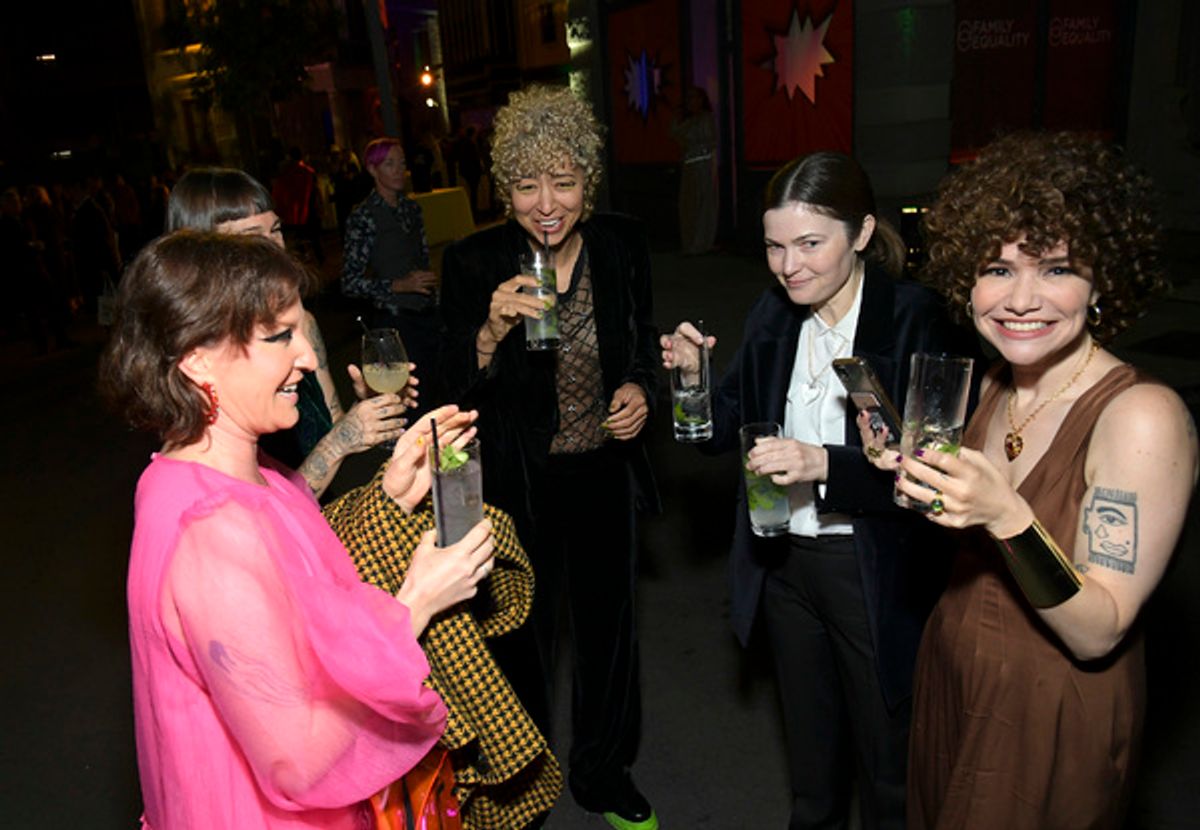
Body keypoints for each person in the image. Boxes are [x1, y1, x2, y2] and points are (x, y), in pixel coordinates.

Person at [99, 231, 496, 828]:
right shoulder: (212, 532)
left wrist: (390, 489)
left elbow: (289, 564)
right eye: (280, 336)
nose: (309, 356)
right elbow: (301, 758)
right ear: (198, 357)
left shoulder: (212, 471)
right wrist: (414, 605)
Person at [860, 131, 1198, 829]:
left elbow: (1100, 631)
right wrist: (917, 476)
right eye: (998, 268)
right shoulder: (994, 383)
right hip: (957, 669)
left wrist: (1006, 515)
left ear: (1101, 282)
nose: (1020, 299)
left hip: (1051, 705)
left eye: (1055, 269)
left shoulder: (1142, 418)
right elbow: (969, 532)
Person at [662, 151, 977, 829]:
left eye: (809, 244)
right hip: (786, 566)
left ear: (861, 233)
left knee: (889, 770)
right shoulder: (774, 315)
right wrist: (692, 379)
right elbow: (728, 430)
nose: (789, 266)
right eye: (774, 246)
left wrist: (825, 463)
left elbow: (934, 473)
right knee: (811, 769)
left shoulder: (915, 319)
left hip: (871, 571)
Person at [439, 84, 660, 830]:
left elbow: (642, 342)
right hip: (516, 484)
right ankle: (520, 786)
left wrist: (640, 388)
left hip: (603, 471)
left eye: (562, 182)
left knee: (608, 637)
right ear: (504, 190)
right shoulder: (473, 263)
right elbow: (446, 390)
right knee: (519, 644)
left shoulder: (621, 246)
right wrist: (488, 333)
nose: (546, 204)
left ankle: (603, 772)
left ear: (588, 183)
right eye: (527, 185)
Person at [167, 167, 403, 496]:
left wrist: (366, 409)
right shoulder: (205, 360)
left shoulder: (302, 320)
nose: (275, 247)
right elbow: (260, 511)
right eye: (252, 237)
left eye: (276, 230)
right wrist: (341, 441)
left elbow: (333, 423)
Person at [342, 137, 441, 415]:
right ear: (372, 170)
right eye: (389, 164)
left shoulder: (412, 209)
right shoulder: (364, 217)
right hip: (394, 323)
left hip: (428, 318)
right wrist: (398, 285)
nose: (399, 170)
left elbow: (421, 258)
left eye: (402, 163)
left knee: (437, 396)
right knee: (407, 406)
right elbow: (349, 282)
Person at [670, 86, 718, 255]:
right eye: (689, 99)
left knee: (703, 203)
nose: (691, 102)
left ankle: (702, 243)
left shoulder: (706, 119)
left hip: (703, 166)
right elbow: (675, 133)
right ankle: (691, 243)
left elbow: (709, 142)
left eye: (694, 98)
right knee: (689, 205)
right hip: (690, 167)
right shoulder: (689, 121)